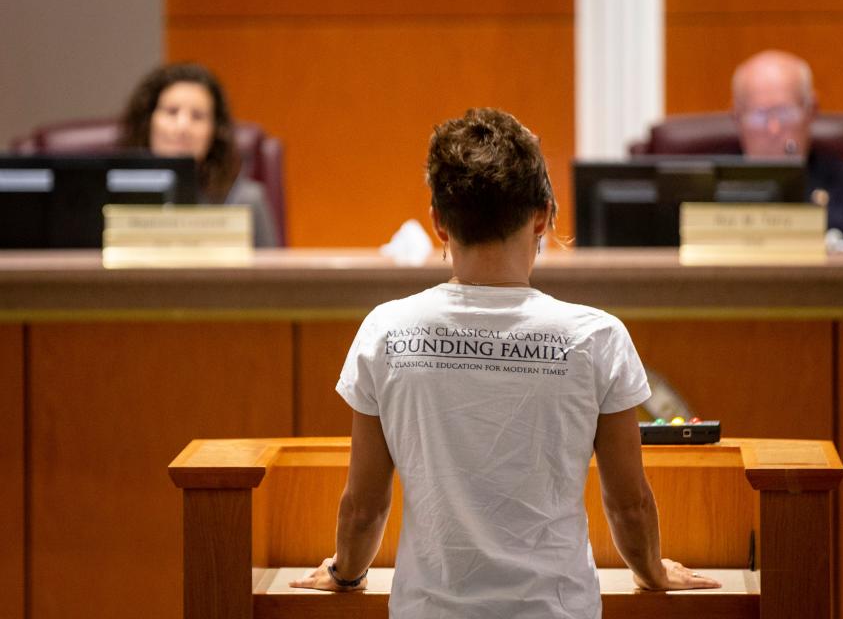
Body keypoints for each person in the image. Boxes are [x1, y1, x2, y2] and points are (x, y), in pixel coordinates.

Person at [290, 108, 720, 617]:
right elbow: (629, 504)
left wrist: (345, 573)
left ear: (439, 223)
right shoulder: (596, 337)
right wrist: (653, 573)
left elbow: (364, 506)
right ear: (541, 217)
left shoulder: (387, 331)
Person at [732, 49, 843, 239]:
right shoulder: (700, 196)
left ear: (812, 110)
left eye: (785, 113)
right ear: (736, 117)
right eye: (759, 115)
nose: (773, 128)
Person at [119, 63, 278, 247]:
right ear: (148, 122)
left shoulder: (244, 201)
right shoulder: (113, 197)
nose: (183, 127)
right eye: (171, 112)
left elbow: (272, 275)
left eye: (198, 116)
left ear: (215, 131)